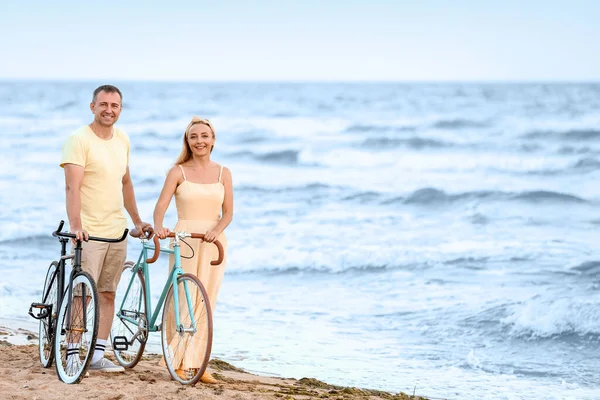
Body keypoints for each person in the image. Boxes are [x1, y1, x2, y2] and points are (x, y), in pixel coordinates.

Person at [61, 84, 152, 373]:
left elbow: (125, 184)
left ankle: (97, 355)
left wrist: (137, 222)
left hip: (117, 230)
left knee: (108, 293)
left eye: (114, 105)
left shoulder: (122, 139)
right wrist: (76, 226)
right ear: (93, 107)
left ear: (120, 110)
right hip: (89, 231)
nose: (108, 110)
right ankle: (73, 352)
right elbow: (71, 187)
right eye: (103, 104)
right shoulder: (79, 139)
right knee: (82, 294)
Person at [153, 116, 233, 384]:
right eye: (194, 136)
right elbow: (161, 206)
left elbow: (228, 213)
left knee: (206, 302)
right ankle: (178, 361)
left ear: (213, 140)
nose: (200, 141)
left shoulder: (224, 173)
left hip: (213, 240)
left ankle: (198, 363)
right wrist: (160, 227)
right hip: (185, 238)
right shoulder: (178, 171)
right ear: (187, 141)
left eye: (204, 136)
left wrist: (217, 230)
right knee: (183, 299)